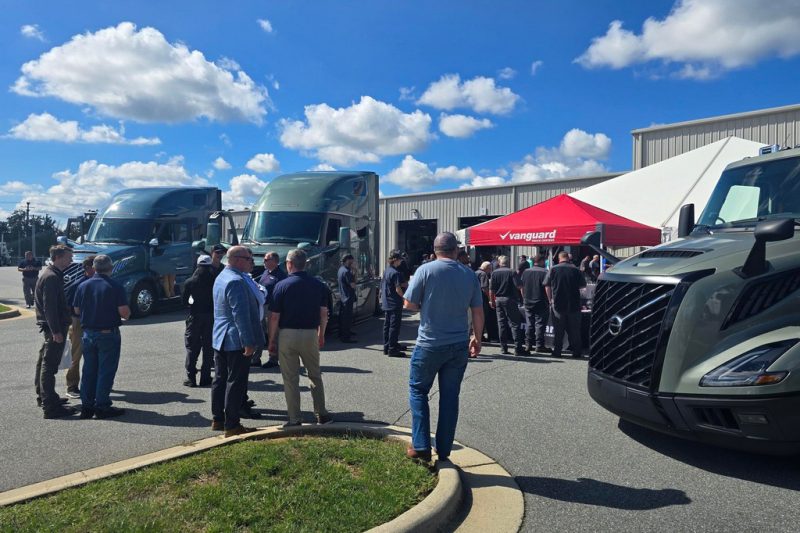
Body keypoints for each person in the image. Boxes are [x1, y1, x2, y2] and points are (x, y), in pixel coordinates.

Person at [403, 232, 483, 462]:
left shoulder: (425, 270)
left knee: (418, 391)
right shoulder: (469, 274)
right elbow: (478, 311)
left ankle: (421, 446)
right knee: (450, 397)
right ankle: (444, 449)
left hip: (429, 343)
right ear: (456, 250)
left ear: (435, 249)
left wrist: (426, 304)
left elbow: (409, 303)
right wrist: (476, 338)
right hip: (458, 344)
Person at [269, 248, 332, 427]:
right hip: (310, 333)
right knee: (314, 374)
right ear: (306, 264)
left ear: (289, 264)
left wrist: (272, 339)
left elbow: (274, 317)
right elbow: (323, 313)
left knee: (290, 378)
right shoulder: (318, 285)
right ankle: (321, 413)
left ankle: (295, 417)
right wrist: (321, 334)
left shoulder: (281, 285)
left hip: (287, 334)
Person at [211, 245, 265, 437]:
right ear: (237, 260)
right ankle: (232, 425)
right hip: (234, 339)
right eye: (249, 259)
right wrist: (248, 342)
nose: (252, 263)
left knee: (220, 379)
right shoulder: (236, 281)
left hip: (220, 337)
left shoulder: (222, 276)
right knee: (236, 381)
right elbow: (240, 315)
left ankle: (218, 419)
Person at [73, 254, 131, 419]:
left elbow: (76, 310)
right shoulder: (115, 286)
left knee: (89, 370)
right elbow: (124, 314)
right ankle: (102, 405)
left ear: (94, 268)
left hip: (88, 333)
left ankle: (87, 405)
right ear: (110, 268)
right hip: (107, 333)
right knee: (105, 371)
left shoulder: (83, 286)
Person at [34, 245, 75, 418]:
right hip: (54, 327)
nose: (71, 260)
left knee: (44, 362)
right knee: (49, 367)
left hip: (52, 326)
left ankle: (45, 397)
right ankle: (50, 407)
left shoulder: (53, 274)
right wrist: (56, 331)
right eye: (68, 257)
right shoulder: (51, 277)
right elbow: (49, 307)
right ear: (58, 257)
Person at [543, 251, 586, 358]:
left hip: (557, 303)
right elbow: (582, 286)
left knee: (558, 330)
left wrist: (550, 299)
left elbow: (547, 286)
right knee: (574, 330)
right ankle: (576, 352)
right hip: (574, 304)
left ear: (559, 258)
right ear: (568, 258)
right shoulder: (576, 269)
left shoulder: (553, 269)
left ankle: (557, 351)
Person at [64, 254, 96, 399]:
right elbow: (71, 307)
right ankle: (72, 386)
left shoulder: (99, 282)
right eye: (96, 267)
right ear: (88, 268)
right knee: (76, 354)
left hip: (95, 322)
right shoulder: (78, 285)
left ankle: (92, 384)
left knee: (95, 355)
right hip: (78, 322)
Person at [181, 255, 215, 387]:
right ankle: (205, 377)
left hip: (195, 316)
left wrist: (192, 303)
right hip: (210, 316)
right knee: (208, 347)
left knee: (192, 347)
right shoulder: (215, 280)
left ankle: (191, 377)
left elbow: (184, 302)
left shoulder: (190, 281)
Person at [490, 255, 526, 356]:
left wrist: (491, 300)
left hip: (498, 299)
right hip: (510, 299)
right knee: (514, 323)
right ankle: (518, 348)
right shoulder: (512, 272)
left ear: (499, 263)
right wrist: (523, 298)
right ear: (508, 262)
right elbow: (519, 286)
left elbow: (491, 289)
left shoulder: (494, 273)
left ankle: (503, 348)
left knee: (501, 324)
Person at [257, 251, 286, 368]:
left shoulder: (281, 276)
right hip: (262, 306)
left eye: (266, 260)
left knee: (272, 334)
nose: (264, 262)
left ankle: (273, 359)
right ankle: (256, 358)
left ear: (274, 261)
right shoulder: (265, 272)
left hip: (272, 308)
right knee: (260, 332)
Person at [520, 255, 551, 353]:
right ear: (542, 261)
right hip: (541, 301)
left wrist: (524, 297)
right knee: (540, 324)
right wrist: (550, 300)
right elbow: (547, 287)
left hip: (528, 300)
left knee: (529, 324)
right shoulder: (546, 272)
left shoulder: (526, 272)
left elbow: (522, 287)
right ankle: (539, 345)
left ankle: (528, 344)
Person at [381, 250, 407, 357]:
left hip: (387, 301)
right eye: (400, 259)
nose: (401, 261)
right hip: (394, 302)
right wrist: (405, 298)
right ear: (396, 260)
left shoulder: (387, 270)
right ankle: (392, 349)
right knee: (394, 326)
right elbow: (398, 289)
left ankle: (388, 346)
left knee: (387, 325)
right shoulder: (395, 273)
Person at [475, 261, 498, 342]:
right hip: (483, 299)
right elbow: (485, 288)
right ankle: (482, 336)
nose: (490, 271)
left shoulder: (475, 272)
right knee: (484, 318)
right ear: (487, 268)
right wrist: (490, 299)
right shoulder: (483, 274)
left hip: (475, 298)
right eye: (490, 269)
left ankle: (478, 335)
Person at [337, 254, 357, 343]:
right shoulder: (347, 272)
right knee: (347, 318)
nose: (353, 262)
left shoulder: (341, 270)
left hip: (343, 296)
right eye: (352, 261)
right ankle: (346, 336)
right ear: (348, 260)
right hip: (348, 297)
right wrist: (355, 272)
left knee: (343, 317)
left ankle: (343, 333)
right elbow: (353, 285)